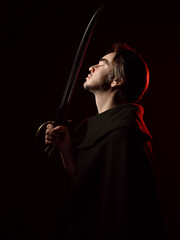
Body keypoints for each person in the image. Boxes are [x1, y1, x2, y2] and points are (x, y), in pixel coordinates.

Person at [45, 43, 166, 239]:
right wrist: (65, 148)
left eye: (102, 64)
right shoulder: (91, 130)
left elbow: (120, 214)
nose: (91, 67)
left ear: (117, 79)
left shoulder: (125, 135)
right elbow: (87, 190)